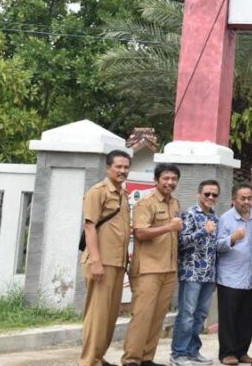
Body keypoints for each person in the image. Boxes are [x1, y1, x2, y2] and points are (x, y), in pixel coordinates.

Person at [122, 163, 184, 366]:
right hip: (148, 269)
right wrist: (169, 227)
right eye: (166, 178)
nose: (170, 182)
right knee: (142, 316)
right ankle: (131, 359)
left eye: (174, 179)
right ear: (156, 180)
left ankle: (147, 358)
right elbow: (139, 232)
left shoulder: (175, 203)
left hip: (168, 268)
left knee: (158, 317)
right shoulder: (146, 203)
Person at [80, 149, 132, 366]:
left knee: (110, 317)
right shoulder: (98, 192)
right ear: (108, 167)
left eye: (126, 167)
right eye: (118, 166)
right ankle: (89, 361)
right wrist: (96, 261)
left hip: (117, 262)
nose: (122, 171)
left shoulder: (122, 194)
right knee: (97, 316)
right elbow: (90, 227)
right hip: (101, 262)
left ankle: (99, 357)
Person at [171, 180, 221, 366]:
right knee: (187, 314)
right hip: (191, 274)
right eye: (207, 193)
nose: (210, 197)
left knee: (200, 315)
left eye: (214, 195)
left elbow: (214, 249)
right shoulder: (190, 214)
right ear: (198, 194)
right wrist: (202, 231)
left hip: (208, 275)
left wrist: (215, 274)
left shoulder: (216, 218)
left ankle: (193, 351)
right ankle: (178, 354)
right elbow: (181, 243)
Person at [215, 184, 252, 365]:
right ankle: (227, 353)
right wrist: (232, 238)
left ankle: (242, 352)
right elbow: (217, 245)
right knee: (228, 318)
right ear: (234, 200)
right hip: (229, 278)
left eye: (249, 198)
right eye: (242, 198)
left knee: (247, 318)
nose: (246, 202)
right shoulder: (225, 219)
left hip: (250, 278)